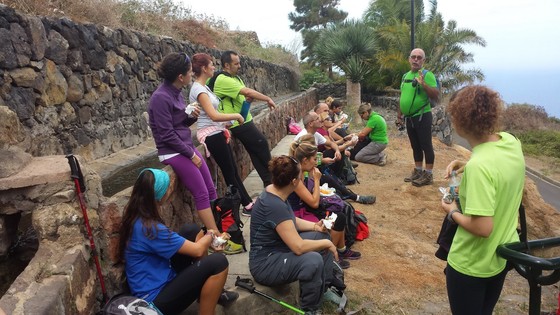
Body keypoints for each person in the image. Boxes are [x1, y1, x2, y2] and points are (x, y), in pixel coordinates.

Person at [441, 86, 525, 315]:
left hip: (471, 263)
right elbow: (499, 169)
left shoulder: (480, 167)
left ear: (459, 121)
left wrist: (452, 210)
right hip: (499, 257)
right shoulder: (510, 143)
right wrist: (465, 164)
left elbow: (482, 227)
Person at [118, 168, 238, 315]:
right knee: (218, 262)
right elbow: (198, 250)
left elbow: (184, 244)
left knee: (190, 231)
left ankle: (209, 292)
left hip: (158, 283)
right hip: (153, 302)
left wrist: (205, 238)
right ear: (160, 194)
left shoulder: (136, 217)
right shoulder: (150, 228)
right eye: (167, 188)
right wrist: (211, 234)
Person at [249, 156, 341, 315]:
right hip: (265, 263)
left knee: (322, 237)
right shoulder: (273, 204)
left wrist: (315, 226)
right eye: (300, 177)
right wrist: (327, 245)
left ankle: (323, 289)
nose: (302, 179)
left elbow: (290, 220)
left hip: (278, 250)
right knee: (313, 260)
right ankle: (310, 309)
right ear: (293, 182)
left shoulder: (275, 191)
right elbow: (298, 247)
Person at [148, 52, 219, 232]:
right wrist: (190, 155)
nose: (192, 74)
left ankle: (217, 224)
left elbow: (179, 125)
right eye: (189, 72)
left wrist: (191, 118)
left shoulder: (177, 92)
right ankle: (215, 236)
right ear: (181, 77)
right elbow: (166, 135)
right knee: (201, 193)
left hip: (184, 147)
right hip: (172, 152)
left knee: (211, 188)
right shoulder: (160, 98)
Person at [189, 53, 255, 217]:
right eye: (211, 65)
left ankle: (246, 203)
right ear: (204, 68)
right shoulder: (198, 89)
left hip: (216, 131)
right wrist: (236, 116)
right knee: (229, 172)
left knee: (232, 170)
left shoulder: (205, 88)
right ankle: (242, 206)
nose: (213, 67)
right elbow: (213, 115)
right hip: (210, 134)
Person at [288, 135, 362, 269]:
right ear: (305, 160)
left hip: (304, 209)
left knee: (340, 215)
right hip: (299, 215)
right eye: (314, 158)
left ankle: (341, 250)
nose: (316, 162)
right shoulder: (296, 178)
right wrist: (316, 179)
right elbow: (314, 203)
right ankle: (330, 257)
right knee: (337, 218)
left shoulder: (302, 171)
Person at [210, 50, 276, 191]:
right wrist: (268, 99)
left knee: (255, 150)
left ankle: (268, 181)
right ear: (227, 65)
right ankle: (275, 178)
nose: (240, 66)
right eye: (236, 63)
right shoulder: (223, 79)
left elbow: (243, 96)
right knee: (262, 144)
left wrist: (246, 103)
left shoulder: (235, 78)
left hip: (243, 119)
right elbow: (248, 92)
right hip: (236, 123)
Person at [296, 112, 375, 205]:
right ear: (310, 124)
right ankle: (354, 196)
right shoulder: (304, 138)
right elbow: (303, 161)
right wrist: (323, 160)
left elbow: (331, 144)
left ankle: (339, 184)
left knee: (338, 154)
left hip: (313, 163)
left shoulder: (315, 134)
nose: (320, 120)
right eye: (317, 119)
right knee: (327, 178)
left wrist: (337, 150)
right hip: (306, 169)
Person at [397, 48, 439, 187]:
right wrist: (399, 113)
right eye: (413, 57)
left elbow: (435, 95)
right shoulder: (405, 76)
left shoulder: (428, 75)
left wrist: (423, 84)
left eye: (419, 57)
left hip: (422, 115)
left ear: (423, 60)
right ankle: (418, 171)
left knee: (426, 145)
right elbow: (402, 95)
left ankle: (428, 174)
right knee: (415, 146)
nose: (416, 59)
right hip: (409, 117)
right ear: (409, 59)